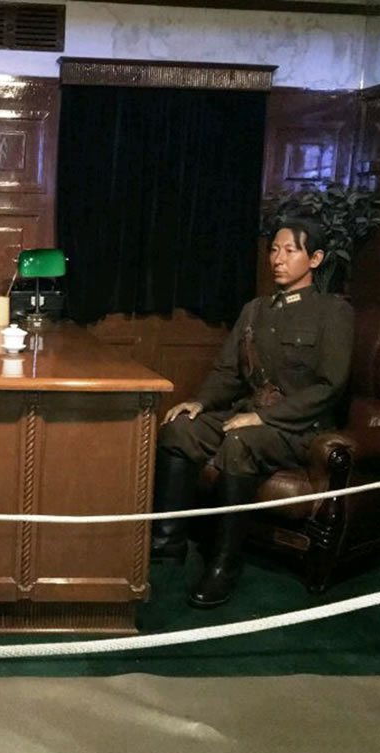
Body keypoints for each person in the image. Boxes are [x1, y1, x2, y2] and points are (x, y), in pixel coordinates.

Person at [152, 217, 353, 608]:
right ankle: (167, 542)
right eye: (274, 250)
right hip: (250, 415)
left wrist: (265, 418)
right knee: (180, 428)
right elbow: (228, 371)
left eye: (290, 251)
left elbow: (329, 387)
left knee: (240, 442)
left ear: (315, 259)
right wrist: (201, 402)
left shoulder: (333, 312)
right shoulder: (255, 310)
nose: (278, 259)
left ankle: (224, 566)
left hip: (300, 427)